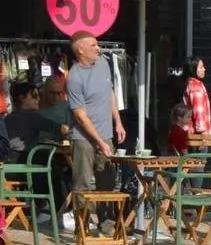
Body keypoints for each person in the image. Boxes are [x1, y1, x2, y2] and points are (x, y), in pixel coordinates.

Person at [67, 30, 126, 189]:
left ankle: (106, 215)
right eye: (93, 45)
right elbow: (80, 116)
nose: (98, 48)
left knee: (107, 180)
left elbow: (110, 93)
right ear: (80, 50)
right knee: (83, 183)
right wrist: (99, 141)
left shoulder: (103, 63)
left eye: (97, 44)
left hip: (105, 134)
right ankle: (83, 214)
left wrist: (118, 122)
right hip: (83, 138)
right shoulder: (74, 77)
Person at [4, 83, 67, 162]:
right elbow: (61, 128)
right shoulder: (32, 117)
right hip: (26, 162)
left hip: (8, 162)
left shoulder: (7, 118)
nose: (38, 99)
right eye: (34, 96)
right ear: (22, 98)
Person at [182, 55, 211, 135]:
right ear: (193, 69)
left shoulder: (192, 84)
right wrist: (202, 130)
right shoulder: (195, 87)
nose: (204, 69)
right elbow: (198, 110)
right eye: (201, 67)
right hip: (196, 135)